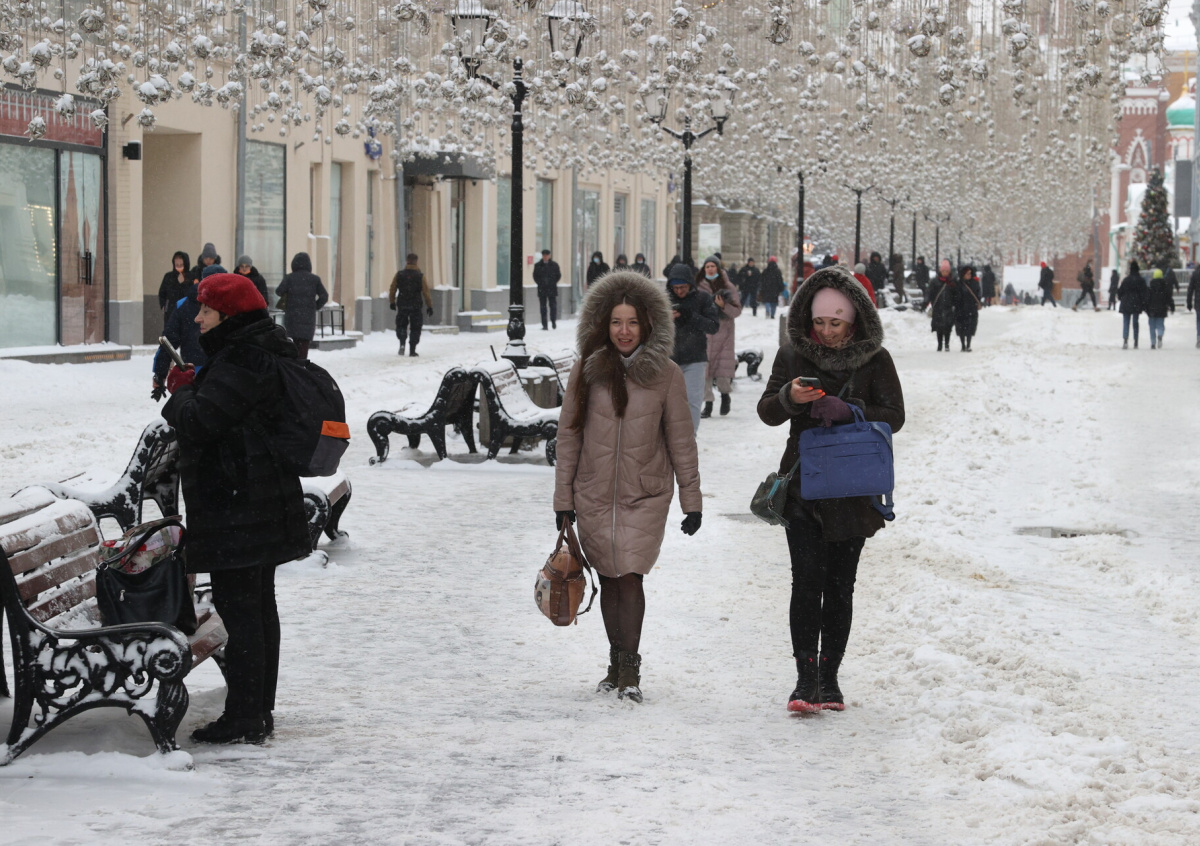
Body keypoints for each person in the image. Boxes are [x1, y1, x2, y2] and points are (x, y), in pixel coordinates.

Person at [161, 272, 310, 744]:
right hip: (257, 503)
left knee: (242, 611)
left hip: (240, 507)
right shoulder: (258, 350)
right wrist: (197, 384)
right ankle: (256, 709)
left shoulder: (241, 358)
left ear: (229, 315)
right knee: (257, 607)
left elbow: (200, 423)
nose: (198, 318)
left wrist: (181, 390)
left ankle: (246, 716)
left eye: (207, 310)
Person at [757, 266, 904, 712]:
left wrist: (850, 409)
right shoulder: (792, 355)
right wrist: (790, 399)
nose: (825, 331)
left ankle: (830, 678)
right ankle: (805, 681)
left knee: (840, 587)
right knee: (806, 583)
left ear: (853, 320)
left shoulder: (875, 359)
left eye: (835, 323)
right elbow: (767, 411)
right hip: (804, 485)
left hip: (854, 489)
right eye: (819, 322)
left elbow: (895, 416)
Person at [553, 271, 703, 703]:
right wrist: (564, 498)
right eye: (616, 322)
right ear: (604, 324)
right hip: (594, 492)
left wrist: (691, 501)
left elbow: (681, 440)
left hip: (645, 493)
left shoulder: (666, 374)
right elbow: (569, 436)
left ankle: (631, 670)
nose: (624, 331)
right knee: (608, 577)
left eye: (632, 322)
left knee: (631, 576)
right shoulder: (587, 370)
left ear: (647, 324)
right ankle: (615, 662)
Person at [152, 263, 221, 401]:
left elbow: (168, 341)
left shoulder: (184, 304)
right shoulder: (230, 305)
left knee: (194, 408)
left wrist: (160, 374)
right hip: (223, 370)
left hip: (194, 370)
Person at [666, 264, 719, 432]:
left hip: (695, 358)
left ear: (690, 284)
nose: (679, 291)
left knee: (692, 400)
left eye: (682, 287)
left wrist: (690, 316)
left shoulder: (702, 299)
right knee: (667, 402)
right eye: (675, 288)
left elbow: (713, 326)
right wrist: (666, 318)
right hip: (668, 359)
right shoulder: (664, 299)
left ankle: (690, 437)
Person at [696, 256, 742, 418]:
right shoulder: (698, 286)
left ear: (718, 268)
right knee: (705, 371)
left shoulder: (728, 287)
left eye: (712, 266)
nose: (710, 269)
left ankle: (725, 396)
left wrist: (724, 306)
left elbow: (737, 311)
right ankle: (708, 404)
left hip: (724, 333)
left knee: (723, 371)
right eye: (707, 266)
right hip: (705, 332)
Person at [276, 252, 328, 359]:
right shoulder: (315, 279)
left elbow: (279, 291)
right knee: (304, 346)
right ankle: (301, 364)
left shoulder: (289, 278)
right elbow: (324, 296)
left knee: (292, 345)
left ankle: (293, 365)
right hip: (308, 318)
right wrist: (315, 306)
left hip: (292, 317)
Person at [389, 253, 433, 356]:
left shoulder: (399, 274)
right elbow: (426, 292)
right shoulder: (420, 276)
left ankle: (402, 343)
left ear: (407, 261)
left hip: (402, 303)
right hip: (416, 304)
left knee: (401, 324)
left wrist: (392, 301)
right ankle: (412, 349)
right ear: (416, 262)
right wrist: (429, 306)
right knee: (416, 327)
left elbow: (392, 288)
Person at [158, 251, 193, 328]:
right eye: (177, 265)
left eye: (181, 265)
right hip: (170, 311)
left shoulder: (191, 277)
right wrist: (163, 305)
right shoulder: (168, 276)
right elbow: (162, 292)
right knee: (170, 331)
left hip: (185, 312)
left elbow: (191, 294)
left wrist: (183, 284)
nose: (179, 267)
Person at [927, 259, 956, 351]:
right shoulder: (935, 282)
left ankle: (947, 344)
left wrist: (954, 303)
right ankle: (939, 344)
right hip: (938, 307)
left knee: (948, 326)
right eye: (943, 271)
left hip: (948, 307)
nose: (945, 273)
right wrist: (927, 301)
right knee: (939, 327)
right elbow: (930, 293)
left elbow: (955, 295)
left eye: (947, 271)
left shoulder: (952, 282)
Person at [1118, 260, 1147, 349]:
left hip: (1126, 302)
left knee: (1126, 322)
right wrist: (1144, 303)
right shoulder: (1141, 280)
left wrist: (1121, 298)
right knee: (1135, 322)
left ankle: (1125, 340)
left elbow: (1120, 291)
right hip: (1136, 303)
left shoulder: (1126, 280)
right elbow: (1144, 293)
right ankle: (1136, 341)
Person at [955, 265, 982, 351]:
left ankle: (968, 345)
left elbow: (978, 294)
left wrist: (977, 302)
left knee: (970, 327)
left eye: (970, 273)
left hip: (971, 309)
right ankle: (963, 345)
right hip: (961, 309)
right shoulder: (959, 284)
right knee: (961, 328)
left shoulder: (974, 283)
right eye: (967, 274)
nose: (969, 275)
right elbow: (956, 296)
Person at [1145, 267, 1174, 349]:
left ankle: (1153, 343)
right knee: (1160, 325)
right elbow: (1169, 298)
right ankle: (1160, 335)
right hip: (1162, 309)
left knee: (1152, 327)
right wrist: (1172, 307)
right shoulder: (1165, 287)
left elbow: (1146, 299)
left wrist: (1146, 308)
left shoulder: (1150, 287)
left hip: (1151, 310)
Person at [533, 249, 562, 330]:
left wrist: (552, 282)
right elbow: (535, 276)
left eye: (547, 255)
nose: (545, 257)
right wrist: (540, 283)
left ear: (549, 256)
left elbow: (558, 275)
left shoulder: (554, 265)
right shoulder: (538, 265)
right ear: (542, 256)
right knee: (543, 308)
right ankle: (544, 324)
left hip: (552, 289)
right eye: (544, 255)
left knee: (553, 306)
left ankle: (553, 321)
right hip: (542, 289)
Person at [1187, 263, 1200, 347]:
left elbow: (1190, 289)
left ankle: (1199, 336)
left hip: (1198, 301)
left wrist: (1189, 302)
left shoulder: (1195, 274)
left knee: (1199, 321)